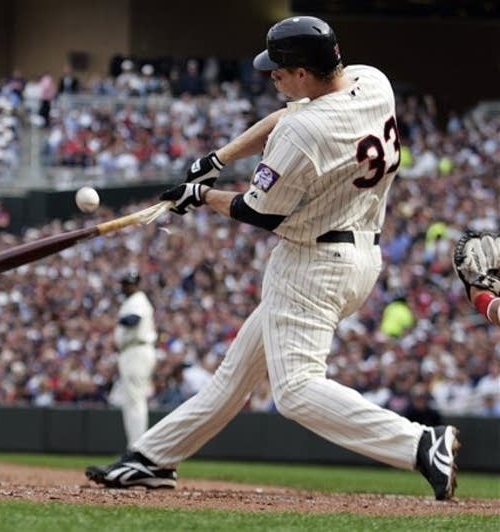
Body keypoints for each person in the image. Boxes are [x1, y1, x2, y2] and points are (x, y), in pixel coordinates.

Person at [86, 15, 459, 500]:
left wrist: (200, 195)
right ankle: (151, 458)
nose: (272, 77)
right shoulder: (372, 81)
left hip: (312, 264)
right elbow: (291, 116)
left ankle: (420, 443)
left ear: (303, 71)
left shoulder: (306, 132)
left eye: (279, 70)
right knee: (234, 376)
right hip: (359, 253)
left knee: (297, 390)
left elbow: (259, 212)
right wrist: (217, 160)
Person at [112, 269, 158, 447]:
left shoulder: (137, 299)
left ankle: (138, 448)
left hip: (137, 351)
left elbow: (133, 320)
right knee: (131, 401)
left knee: (136, 401)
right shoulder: (132, 300)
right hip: (131, 352)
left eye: (128, 283)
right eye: (124, 283)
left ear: (135, 284)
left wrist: (118, 319)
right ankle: (135, 447)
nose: (125, 287)